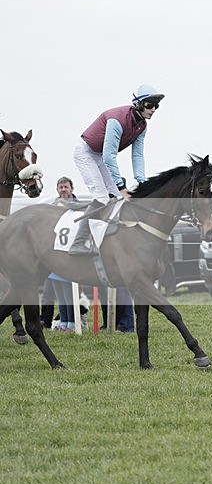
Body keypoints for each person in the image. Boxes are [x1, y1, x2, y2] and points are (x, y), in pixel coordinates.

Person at [70, 84, 165, 255]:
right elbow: (109, 156)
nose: (154, 109)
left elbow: (137, 156)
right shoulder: (117, 120)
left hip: (98, 155)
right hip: (85, 153)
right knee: (102, 196)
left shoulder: (142, 125)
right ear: (138, 104)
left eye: (156, 106)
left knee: (114, 197)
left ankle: (107, 238)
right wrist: (122, 187)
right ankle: (77, 242)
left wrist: (142, 182)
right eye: (150, 105)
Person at [41, 176, 80, 328]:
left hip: (68, 259)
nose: (63, 190)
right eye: (61, 187)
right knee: (57, 295)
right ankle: (62, 323)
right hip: (52, 261)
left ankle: (72, 323)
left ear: (71, 188)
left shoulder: (77, 209)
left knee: (69, 295)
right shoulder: (51, 210)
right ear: (57, 190)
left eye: (66, 187)